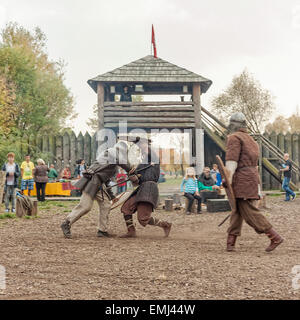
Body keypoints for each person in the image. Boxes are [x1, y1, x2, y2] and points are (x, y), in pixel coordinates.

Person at [225, 112, 283, 252]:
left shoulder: (234, 137)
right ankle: (230, 242)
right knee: (237, 211)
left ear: (233, 125)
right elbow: (254, 165)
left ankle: (274, 236)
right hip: (251, 177)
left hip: (242, 180)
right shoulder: (251, 140)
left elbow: (232, 161)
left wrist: (228, 179)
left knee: (249, 212)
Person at [60, 141, 134, 239]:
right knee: (85, 206)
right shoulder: (111, 152)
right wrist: (131, 170)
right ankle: (66, 223)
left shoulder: (113, 164)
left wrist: (112, 197)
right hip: (92, 181)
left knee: (106, 205)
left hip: (99, 184)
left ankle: (102, 231)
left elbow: (106, 181)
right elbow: (121, 161)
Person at [119, 136, 172, 238]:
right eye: (139, 145)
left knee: (143, 218)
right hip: (142, 188)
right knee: (126, 208)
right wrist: (133, 177)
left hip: (149, 189)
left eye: (141, 144)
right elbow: (137, 180)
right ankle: (131, 231)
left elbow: (148, 151)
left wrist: (136, 140)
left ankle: (165, 224)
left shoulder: (153, 157)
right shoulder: (142, 162)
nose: (140, 147)